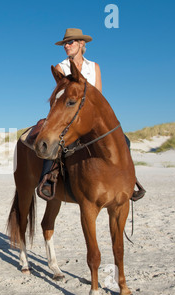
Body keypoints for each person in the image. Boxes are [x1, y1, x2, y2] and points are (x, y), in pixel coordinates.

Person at [39, 28, 145, 201]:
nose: (66, 45)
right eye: (65, 43)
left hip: (90, 115)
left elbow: (99, 96)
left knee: (124, 140)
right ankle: (47, 179)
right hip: (69, 115)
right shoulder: (61, 67)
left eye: (70, 42)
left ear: (81, 44)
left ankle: (130, 181)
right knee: (55, 142)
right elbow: (60, 97)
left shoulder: (94, 66)